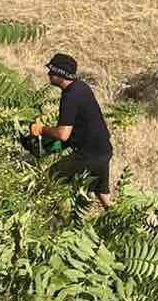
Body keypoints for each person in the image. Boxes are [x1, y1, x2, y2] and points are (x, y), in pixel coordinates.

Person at [24, 52, 114, 212]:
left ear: (61, 74)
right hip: (103, 150)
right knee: (102, 194)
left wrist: (41, 129)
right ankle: (122, 221)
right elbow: (74, 132)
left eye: (52, 71)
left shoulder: (70, 96)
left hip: (89, 154)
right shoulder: (81, 87)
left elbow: (63, 134)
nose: (48, 74)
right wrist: (49, 146)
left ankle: (49, 218)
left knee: (49, 180)